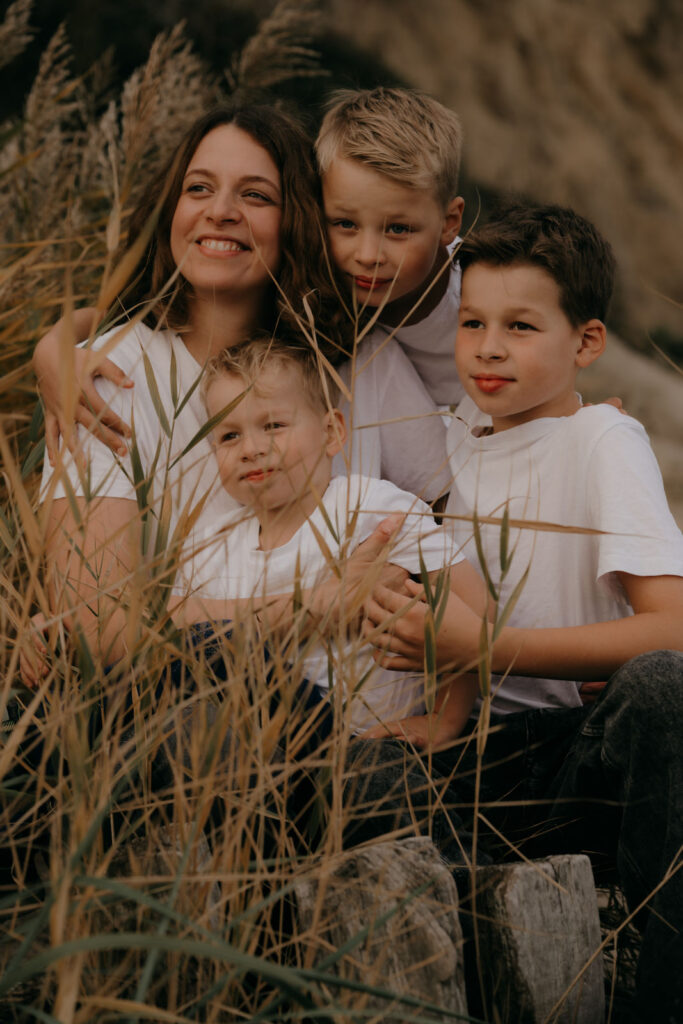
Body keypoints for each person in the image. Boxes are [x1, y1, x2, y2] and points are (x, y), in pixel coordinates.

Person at [360, 203, 683, 1018]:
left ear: (586, 344)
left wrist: (486, 646)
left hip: (581, 755)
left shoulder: (602, 443)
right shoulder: (453, 437)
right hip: (484, 763)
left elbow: (671, 629)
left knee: (662, 686)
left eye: (520, 326)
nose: (489, 347)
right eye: (471, 322)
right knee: (359, 774)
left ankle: (654, 963)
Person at [29, 102, 445, 680]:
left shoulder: (358, 359)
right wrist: (316, 606)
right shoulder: (107, 378)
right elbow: (101, 631)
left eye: (254, 195)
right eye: (198, 188)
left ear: (297, 218)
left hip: (388, 742)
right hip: (191, 724)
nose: (220, 212)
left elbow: (466, 529)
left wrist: (567, 420)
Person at [170, 335, 485, 743]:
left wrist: (446, 717)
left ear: (332, 432)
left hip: (369, 741)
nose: (250, 448)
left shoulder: (369, 509)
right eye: (229, 436)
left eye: (273, 426)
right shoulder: (215, 542)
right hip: (262, 742)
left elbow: (474, 607)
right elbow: (172, 622)